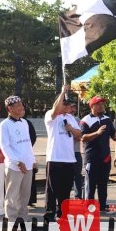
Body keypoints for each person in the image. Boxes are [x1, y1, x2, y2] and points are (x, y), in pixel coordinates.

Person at [44, 86, 82, 221]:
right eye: (65, 104)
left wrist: (70, 128)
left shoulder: (71, 118)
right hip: (55, 158)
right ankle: (50, 214)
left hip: (69, 159)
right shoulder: (51, 115)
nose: (67, 107)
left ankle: (63, 213)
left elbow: (79, 134)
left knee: (66, 189)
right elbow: (55, 109)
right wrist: (62, 92)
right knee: (52, 188)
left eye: (69, 105)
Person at [0, 96, 37, 221]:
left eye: (22, 104)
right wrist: (16, 161)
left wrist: (33, 160)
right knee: (12, 194)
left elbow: (28, 143)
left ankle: (23, 217)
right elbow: (5, 147)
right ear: (10, 108)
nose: (22, 107)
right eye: (19, 105)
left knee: (25, 195)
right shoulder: (4, 124)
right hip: (14, 166)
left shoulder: (24, 122)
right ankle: (11, 218)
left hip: (27, 164)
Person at [81, 96, 116, 214]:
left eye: (102, 104)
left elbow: (113, 135)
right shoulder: (85, 120)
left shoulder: (107, 119)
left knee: (103, 184)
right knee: (90, 186)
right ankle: (89, 209)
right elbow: (83, 137)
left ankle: (102, 206)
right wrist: (97, 133)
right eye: (99, 104)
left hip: (105, 158)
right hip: (91, 158)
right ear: (92, 106)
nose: (102, 106)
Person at [67, 101, 84, 199]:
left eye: (74, 107)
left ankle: (78, 196)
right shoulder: (61, 119)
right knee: (67, 176)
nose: (73, 109)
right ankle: (65, 196)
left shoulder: (77, 120)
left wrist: (71, 136)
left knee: (78, 175)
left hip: (76, 151)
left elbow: (79, 136)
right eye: (71, 107)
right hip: (66, 153)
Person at [25, 116, 38, 207]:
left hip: (28, 153)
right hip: (15, 157)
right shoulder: (8, 123)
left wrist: (27, 147)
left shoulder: (27, 123)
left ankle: (30, 199)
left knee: (30, 178)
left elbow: (33, 136)